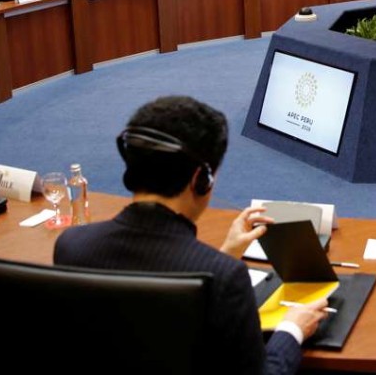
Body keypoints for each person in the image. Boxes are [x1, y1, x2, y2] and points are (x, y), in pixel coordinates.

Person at [54, 96, 327, 375]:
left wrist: (226, 253)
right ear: (201, 179)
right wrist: (292, 329)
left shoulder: (72, 245)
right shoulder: (225, 278)